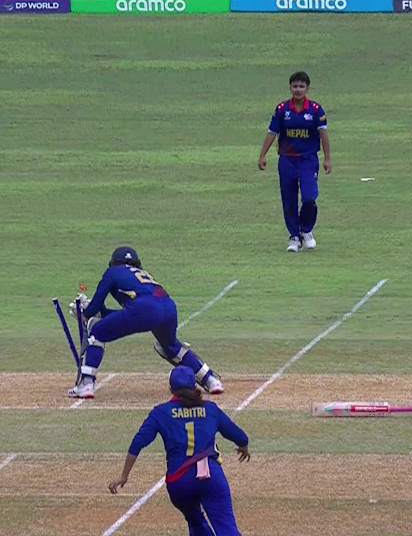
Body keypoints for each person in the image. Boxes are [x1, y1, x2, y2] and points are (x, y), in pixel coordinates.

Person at [109, 366, 250, 535]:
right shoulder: (210, 409)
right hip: (210, 477)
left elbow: (137, 443)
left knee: (195, 521)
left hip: (179, 482)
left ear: (170, 389)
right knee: (226, 527)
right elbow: (239, 436)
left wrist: (124, 475)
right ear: (195, 385)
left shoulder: (160, 412)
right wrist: (243, 447)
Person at [68, 246, 224, 399]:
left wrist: (84, 312)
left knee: (97, 331)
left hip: (143, 310)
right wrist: (99, 312)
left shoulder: (112, 272)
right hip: (169, 308)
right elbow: (129, 316)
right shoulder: (144, 274)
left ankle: (87, 383)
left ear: (113, 262)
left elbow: (98, 308)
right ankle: (210, 380)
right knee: (171, 347)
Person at [258, 71, 332, 253]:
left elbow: (324, 134)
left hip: (308, 160)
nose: (298, 90)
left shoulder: (315, 110)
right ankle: (294, 236)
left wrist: (328, 158)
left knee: (309, 198)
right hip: (287, 160)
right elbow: (272, 133)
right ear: (290, 87)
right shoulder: (283, 109)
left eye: (301, 86)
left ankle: (306, 230)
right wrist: (262, 155)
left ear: (307, 88)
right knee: (289, 199)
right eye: (295, 86)